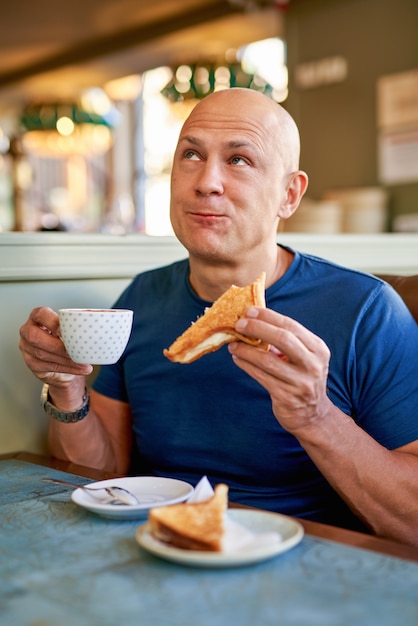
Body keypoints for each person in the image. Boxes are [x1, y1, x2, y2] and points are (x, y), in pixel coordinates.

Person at [19, 88, 418, 546]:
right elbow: (102, 474)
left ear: (289, 194)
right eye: (191, 154)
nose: (206, 181)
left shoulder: (367, 310)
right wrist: (67, 387)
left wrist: (316, 417)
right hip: (154, 548)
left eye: (239, 160)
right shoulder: (143, 296)